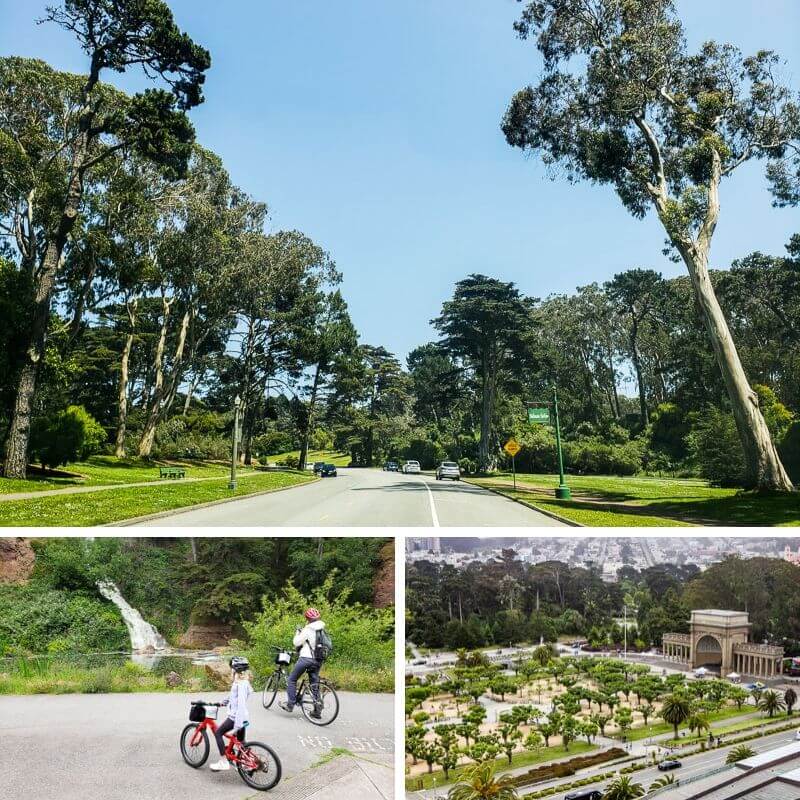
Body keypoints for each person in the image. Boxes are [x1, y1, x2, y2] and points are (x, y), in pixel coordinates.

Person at [279, 607, 326, 718]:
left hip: (306, 659)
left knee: (292, 679)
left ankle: (290, 704)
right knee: (314, 684)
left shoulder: (308, 629)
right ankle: (317, 711)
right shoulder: (322, 629)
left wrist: (298, 632)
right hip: (318, 659)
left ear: (307, 618)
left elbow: (296, 642)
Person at [210, 656, 252, 772]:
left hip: (236, 718)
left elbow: (241, 705)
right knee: (241, 742)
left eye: (232, 668)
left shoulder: (240, 685)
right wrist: (223, 702)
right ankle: (248, 763)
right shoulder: (242, 682)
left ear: (235, 670)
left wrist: (237, 725)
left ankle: (223, 761)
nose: (231, 670)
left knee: (218, 733)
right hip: (243, 718)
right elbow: (233, 696)